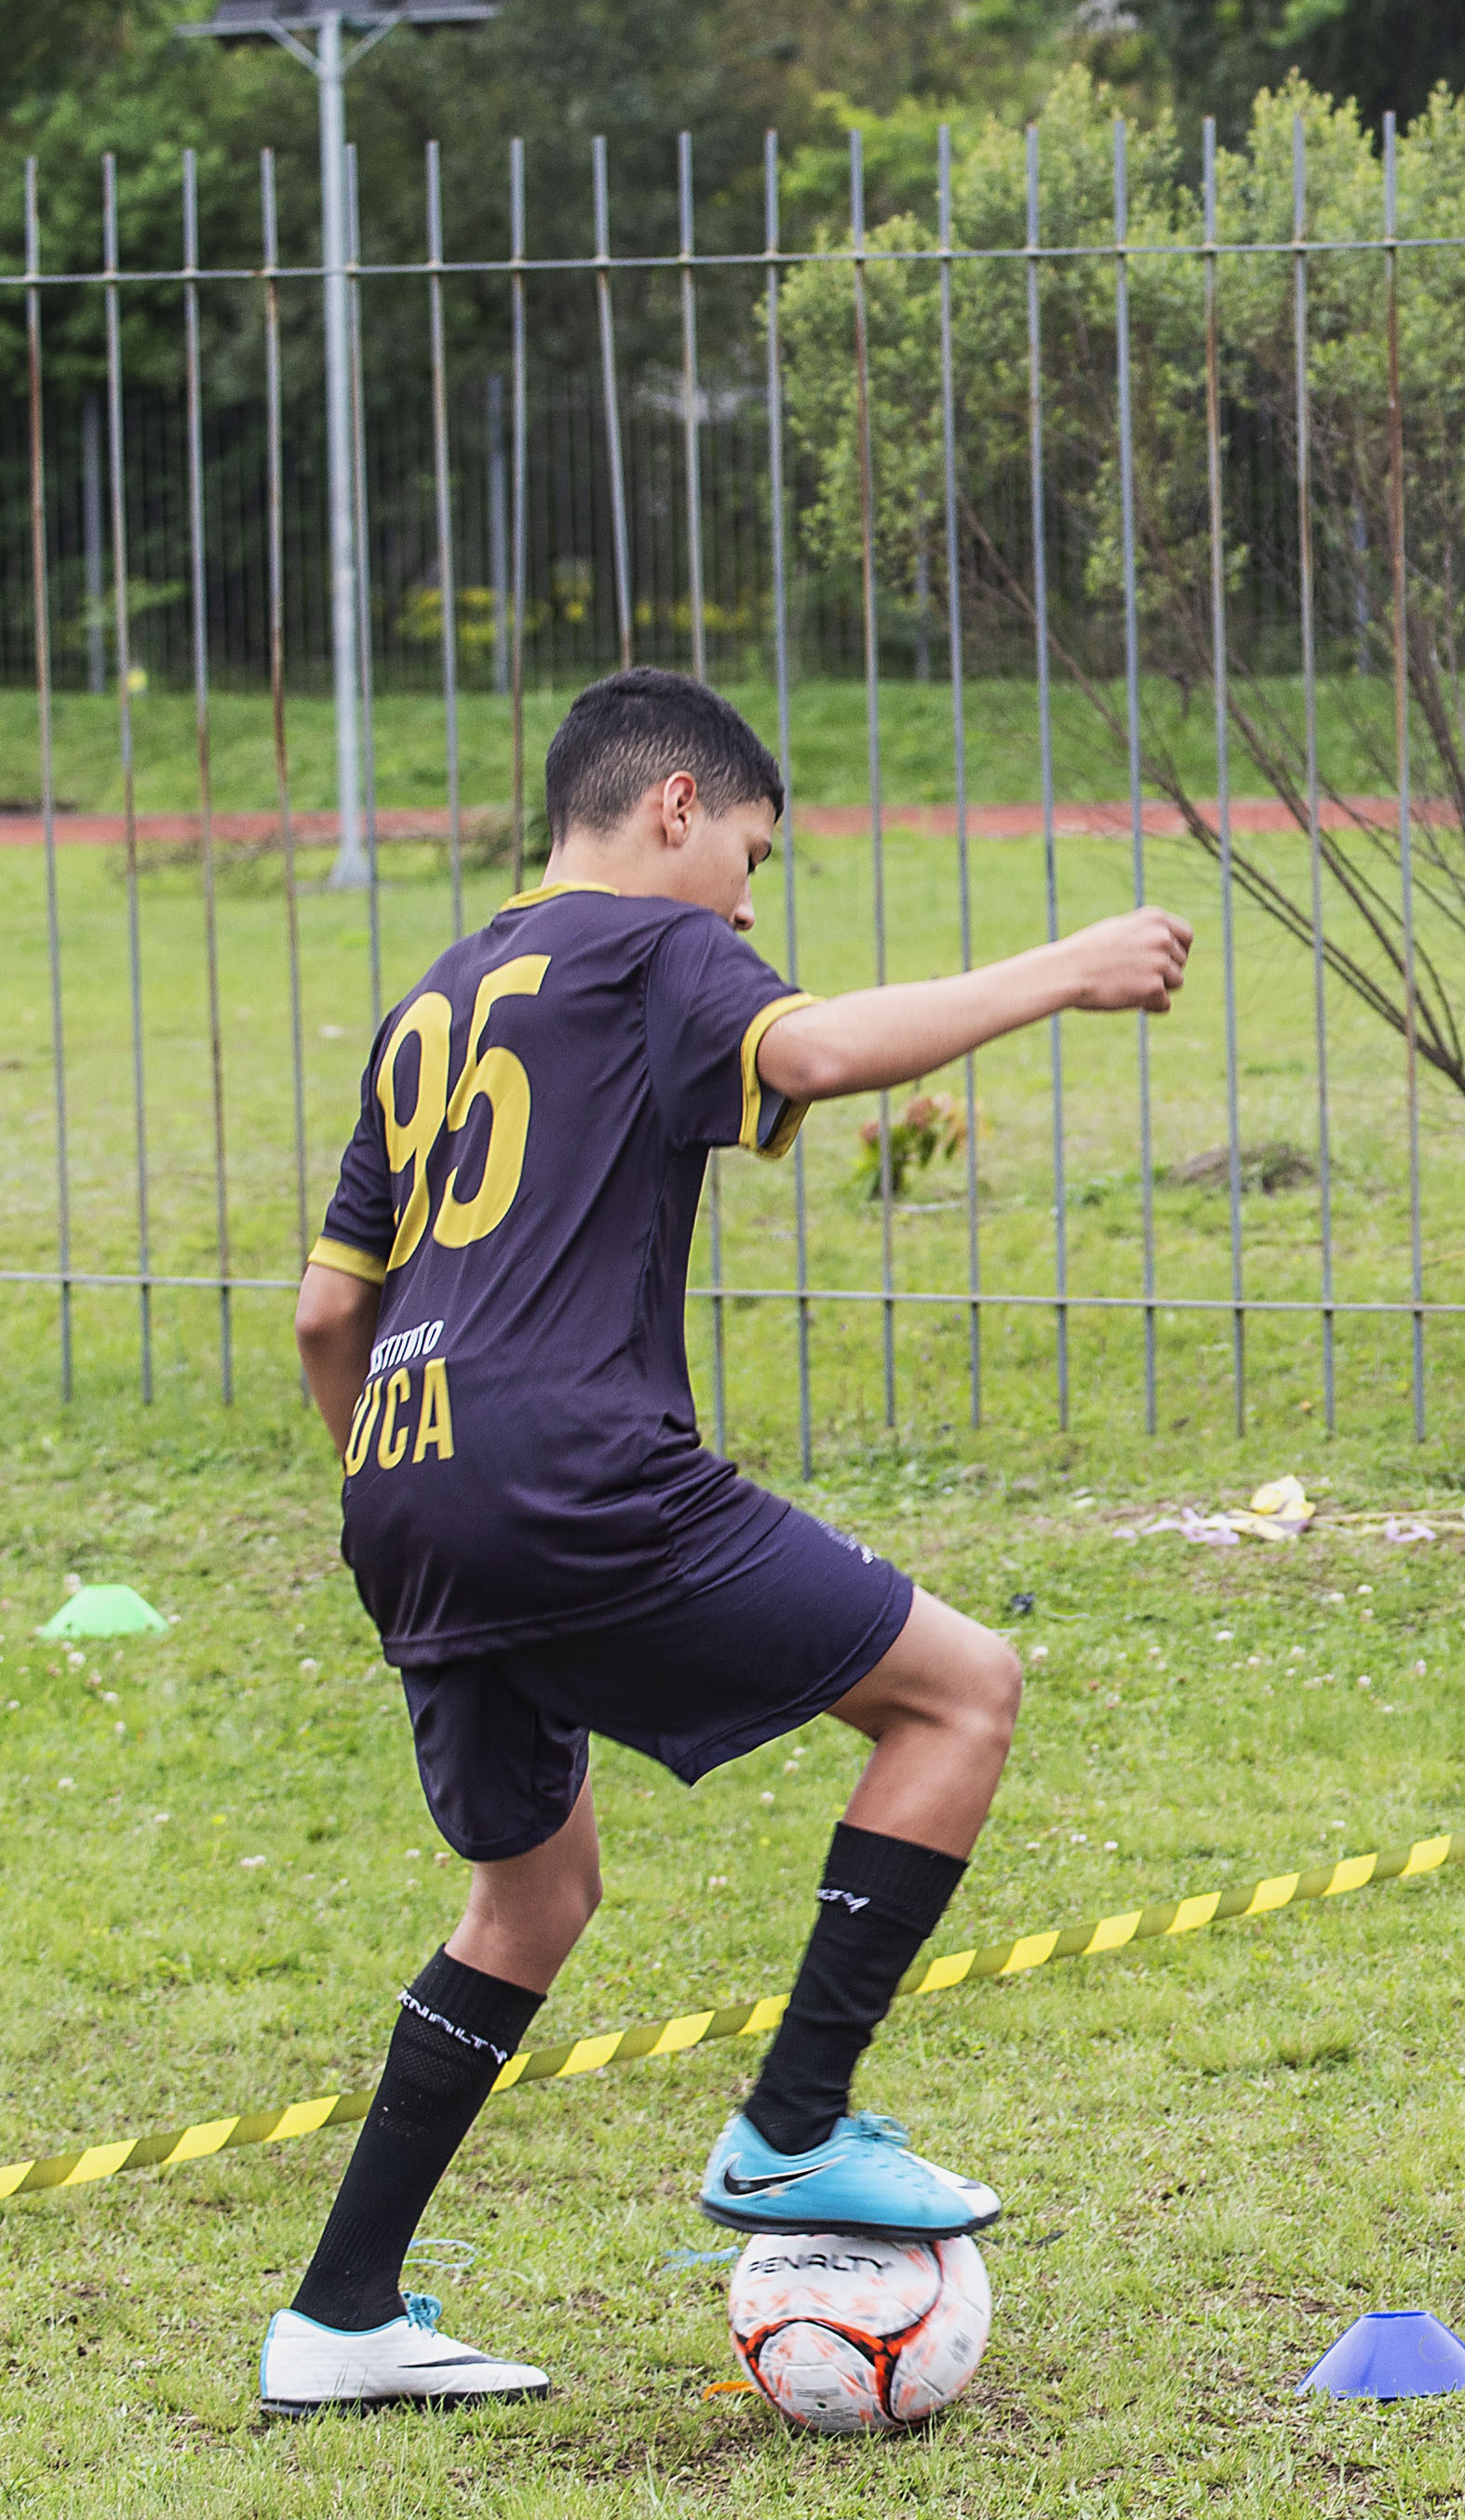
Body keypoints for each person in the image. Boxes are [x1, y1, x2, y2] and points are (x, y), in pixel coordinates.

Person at [261, 668, 1195, 2416]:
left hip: (404, 1482)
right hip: (568, 1466)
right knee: (960, 1695)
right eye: (752, 853)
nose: (751, 907)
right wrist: (1067, 969)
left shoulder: (435, 997)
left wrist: (414, 1491)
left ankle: (339, 2312)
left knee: (532, 1893)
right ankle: (792, 2124)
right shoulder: (650, 944)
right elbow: (820, 1056)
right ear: (677, 805)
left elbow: (329, 1314)